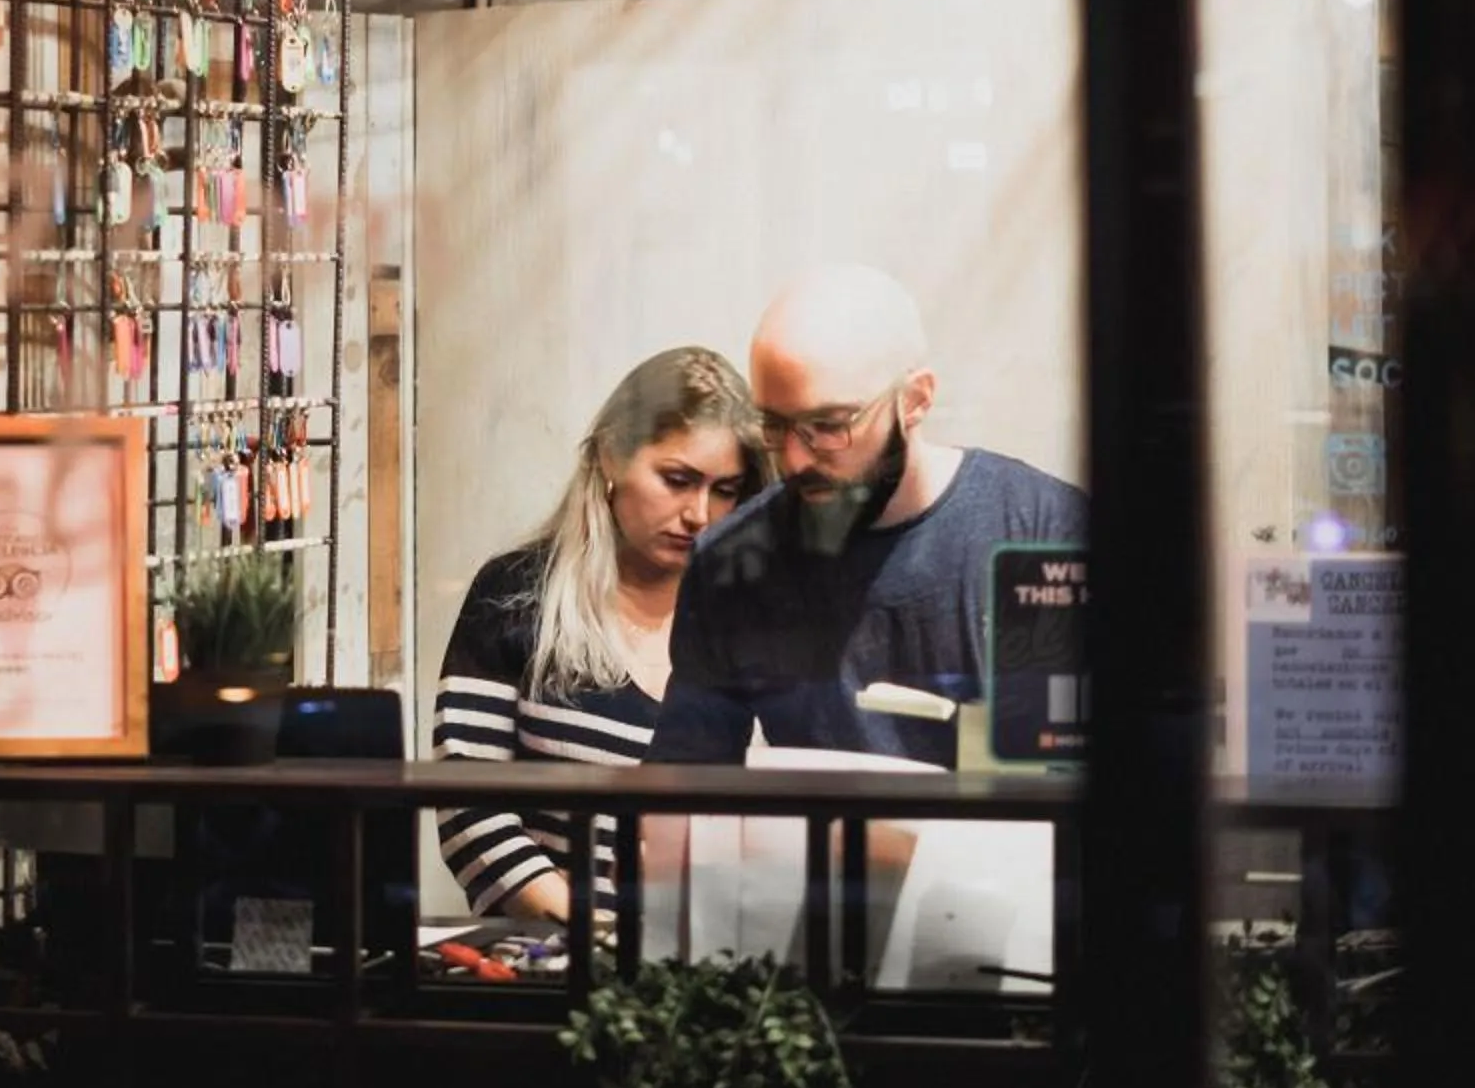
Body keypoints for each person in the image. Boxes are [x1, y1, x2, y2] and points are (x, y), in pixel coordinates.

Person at [650, 264, 1086, 766]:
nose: (794, 459)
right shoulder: (734, 562)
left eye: (829, 425)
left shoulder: (1039, 536)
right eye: (772, 424)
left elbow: (1061, 790)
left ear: (915, 399)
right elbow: (680, 795)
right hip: (814, 846)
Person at [434, 347, 769, 918]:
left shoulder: (752, 626)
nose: (699, 513)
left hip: (708, 966)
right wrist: (591, 932)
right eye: (677, 479)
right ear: (612, 454)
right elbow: (468, 804)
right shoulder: (517, 596)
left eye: (725, 490)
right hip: (550, 968)